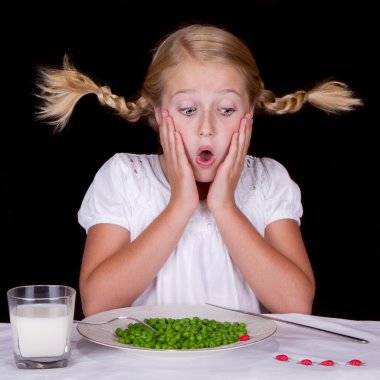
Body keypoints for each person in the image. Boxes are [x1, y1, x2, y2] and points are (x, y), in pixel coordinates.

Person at [35, 24, 361, 317]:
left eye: (227, 110)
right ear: (159, 113)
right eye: (188, 110)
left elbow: (297, 304)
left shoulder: (268, 180)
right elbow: (98, 304)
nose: (207, 128)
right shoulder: (124, 176)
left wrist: (225, 206)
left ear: (250, 113)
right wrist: (180, 205)